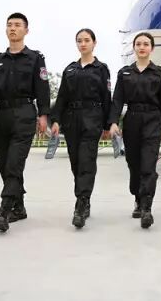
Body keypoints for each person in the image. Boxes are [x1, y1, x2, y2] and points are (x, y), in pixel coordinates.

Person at [0, 13, 50, 232]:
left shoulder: (35, 58)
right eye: (9, 25)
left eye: (17, 25)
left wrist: (43, 114)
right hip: (1, 115)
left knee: (14, 163)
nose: (12, 28)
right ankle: (19, 206)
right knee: (4, 164)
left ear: (26, 30)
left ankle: (4, 211)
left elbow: (42, 87)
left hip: (24, 113)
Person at [108, 32, 161, 229]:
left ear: (152, 48)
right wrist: (113, 122)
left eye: (146, 44)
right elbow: (117, 99)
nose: (142, 47)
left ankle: (146, 208)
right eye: (138, 44)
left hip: (152, 119)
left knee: (148, 165)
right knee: (134, 165)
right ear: (134, 48)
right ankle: (137, 196)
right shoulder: (125, 73)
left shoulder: (159, 73)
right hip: (132, 120)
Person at [50, 28, 111, 229]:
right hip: (71, 119)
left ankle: (81, 203)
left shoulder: (101, 69)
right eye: (79, 40)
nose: (83, 44)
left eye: (86, 40)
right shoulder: (70, 69)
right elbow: (61, 97)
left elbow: (106, 98)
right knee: (75, 162)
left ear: (94, 43)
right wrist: (56, 120)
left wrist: (107, 124)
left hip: (92, 118)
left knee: (86, 160)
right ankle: (85, 198)